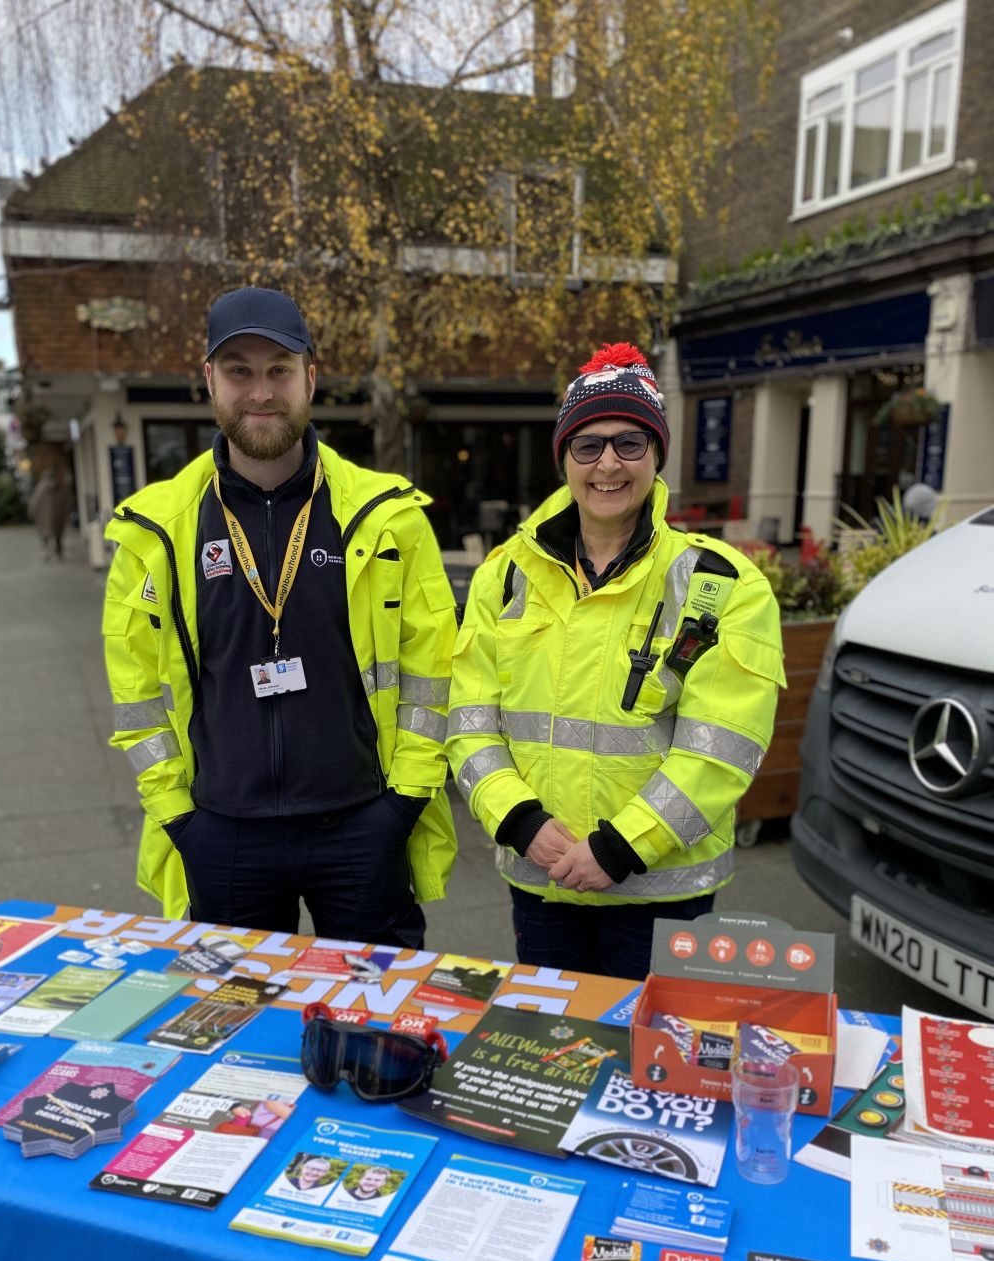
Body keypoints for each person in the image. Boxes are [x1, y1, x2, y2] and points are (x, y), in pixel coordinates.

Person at [102, 287, 458, 943]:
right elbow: (137, 695)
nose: (259, 391)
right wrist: (180, 820)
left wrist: (403, 803)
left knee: (370, 1030)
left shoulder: (388, 517)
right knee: (234, 1031)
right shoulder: (154, 530)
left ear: (310, 378)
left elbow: (432, 672)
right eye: (238, 369)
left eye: (278, 369)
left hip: (360, 825)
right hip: (222, 832)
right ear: (208, 380)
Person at [446, 342, 785, 981]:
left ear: (657, 457)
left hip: (662, 894)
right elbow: (468, 722)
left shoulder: (722, 584)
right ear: (564, 459)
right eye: (588, 445)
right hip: (543, 879)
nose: (608, 463)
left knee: (652, 1061)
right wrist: (519, 819)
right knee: (552, 1051)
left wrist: (622, 846)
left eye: (630, 443)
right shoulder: (504, 577)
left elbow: (722, 748)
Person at [28, 465, 69, 560]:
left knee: (46, 535)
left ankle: (46, 551)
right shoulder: (58, 487)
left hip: (44, 518)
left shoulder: (40, 489)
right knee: (58, 535)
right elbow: (64, 503)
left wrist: (32, 514)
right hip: (58, 516)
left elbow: (34, 503)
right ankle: (59, 552)